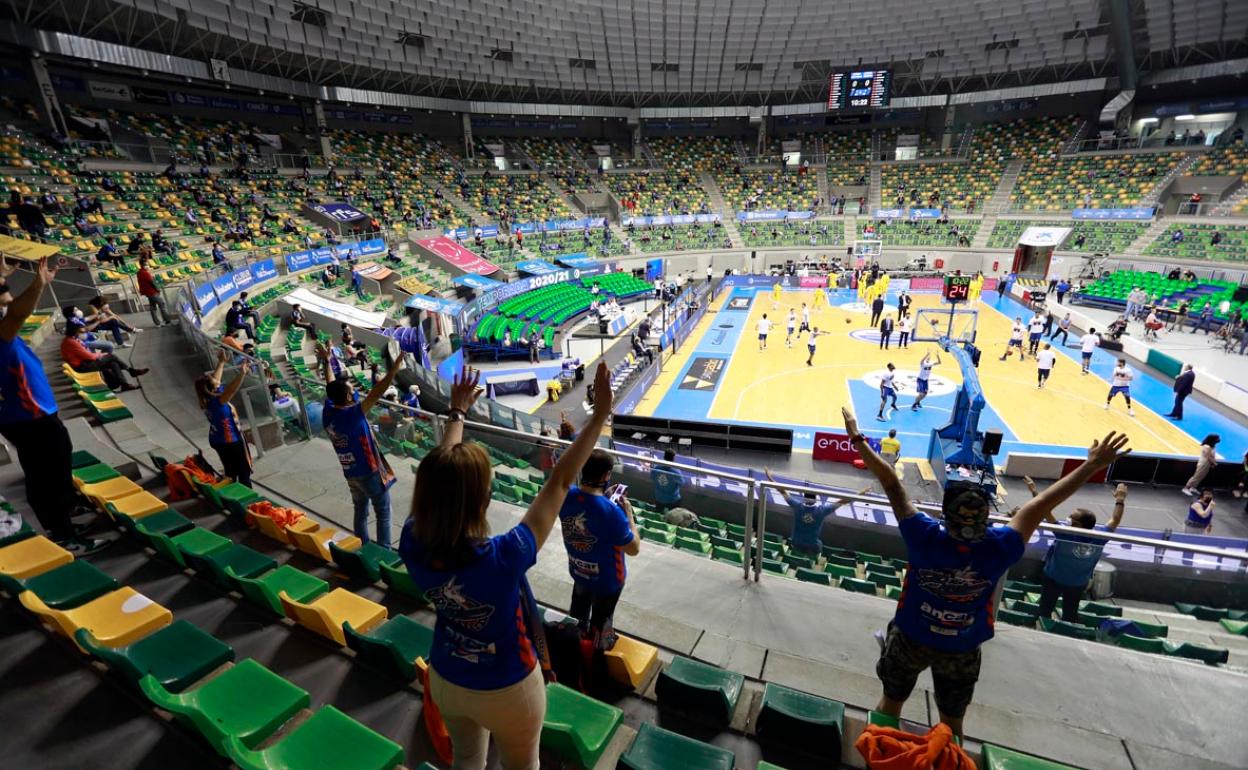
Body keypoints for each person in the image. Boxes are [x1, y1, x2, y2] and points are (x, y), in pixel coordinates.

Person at [844, 405, 1131, 738]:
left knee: (889, 705)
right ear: (985, 519)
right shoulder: (1001, 546)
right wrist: (1092, 466)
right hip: (963, 646)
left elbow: (893, 485)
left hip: (911, 638)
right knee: (951, 725)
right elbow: (1039, 507)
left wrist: (858, 438)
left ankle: (879, 753)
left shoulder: (923, 535)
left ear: (945, 515)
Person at [398, 362, 613, 770]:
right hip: (509, 687)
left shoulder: (412, 538)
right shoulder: (505, 555)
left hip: (446, 674)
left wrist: (457, 414)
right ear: (479, 503)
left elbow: (444, 478)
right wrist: (600, 414)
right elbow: (561, 481)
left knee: (467, 760)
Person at [0, 258, 110, 555]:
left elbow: (11, 305)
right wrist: (39, 281)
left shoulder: (6, 331)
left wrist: (2, 279)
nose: (6, 301)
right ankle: (63, 536)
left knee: (53, 468)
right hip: (30, 418)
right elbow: (16, 310)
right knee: (46, 475)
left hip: (31, 416)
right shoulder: (2, 332)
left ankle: (63, 521)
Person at [558, 448, 641, 649]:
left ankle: (574, 646)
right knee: (601, 622)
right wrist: (628, 514)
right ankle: (598, 649)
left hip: (579, 571)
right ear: (607, 475)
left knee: (577, 615)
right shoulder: (612, 512)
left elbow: (586, 506)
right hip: (608, 579)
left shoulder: (564, 495)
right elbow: (633, 548)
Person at [322, 354, 404, 547]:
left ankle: (362, 546)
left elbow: (330, 385)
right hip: (368, 471)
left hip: (350, 472)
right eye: (351, 389)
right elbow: (376, 393)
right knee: (383, 511)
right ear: (349, 397)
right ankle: (383, 550)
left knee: (360, 509)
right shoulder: (351, 415)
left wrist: (326, 362)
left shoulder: (329, 412)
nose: (354, 390)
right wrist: (393, 370)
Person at [1027, 478, 1128, 623]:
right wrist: (1120, 499)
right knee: (1070, 614)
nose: (1068, 519)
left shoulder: (1064, 533)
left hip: (1053, 579)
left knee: (1044, 610)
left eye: (1072, 518)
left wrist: (1034, 491)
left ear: (1077, 524)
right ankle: (1067, 632)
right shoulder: (1100, 537)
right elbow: (1115, 519)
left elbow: (1044, 509)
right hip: (1078, 583)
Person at [765, 468, 871, 556]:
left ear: (804, 499)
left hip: (795, 543)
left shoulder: (797, 506)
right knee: (819, 546)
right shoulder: (822, 511)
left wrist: (770, 477)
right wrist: (862, 493)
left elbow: (782, 490)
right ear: (815, 500)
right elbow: (844, 500)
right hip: (813, 547)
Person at [196, 350, 254, 487]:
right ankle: (249, 501)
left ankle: (232, 497)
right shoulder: (218, 400)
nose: (217, 380)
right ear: (212, 387)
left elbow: (216, 380)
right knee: (243, 472)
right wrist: (242, 373)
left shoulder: (207, 397)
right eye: (214, 381)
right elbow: (232, 390)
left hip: (218, 440)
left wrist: (221, 362)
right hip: (230, 441)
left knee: (230, 471)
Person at [60, 323, 148, 392]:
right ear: (74, 332)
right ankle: (131, 371)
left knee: (112, 362)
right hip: (83, 367)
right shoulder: (71, 342)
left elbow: (87, 353)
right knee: (110, 356)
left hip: (85, 363)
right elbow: (90, 356)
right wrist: (100, 355)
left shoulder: (72, 340)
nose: (85, 334)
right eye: (82, 332)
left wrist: (99, 355)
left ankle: (125, 384)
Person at [136, 260, 173, 326]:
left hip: (148, 293)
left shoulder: (139, 273)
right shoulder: (145, 273)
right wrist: (158, 289)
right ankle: (167, 321)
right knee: (162, 305)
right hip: (152, 292)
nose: (147, 266)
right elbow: (152, 282)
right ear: (142, 265)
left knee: (153, 308)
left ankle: (157, 323)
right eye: (146, 265)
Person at [651, 448, 685, 512]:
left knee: (658, 515)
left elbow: (652, 477)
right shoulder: (676, 471)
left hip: (659, 497)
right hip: (673, 500)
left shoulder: (656, 467)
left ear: (664, 456)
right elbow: (682, 483)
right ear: (673, 458)